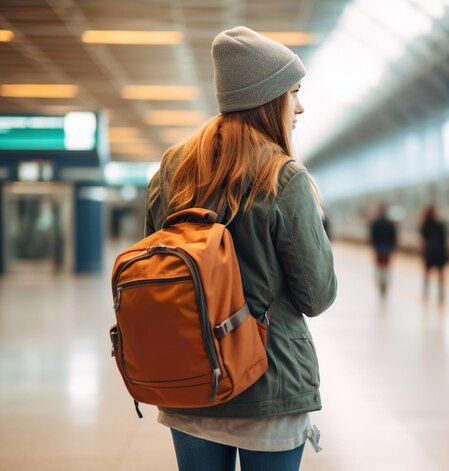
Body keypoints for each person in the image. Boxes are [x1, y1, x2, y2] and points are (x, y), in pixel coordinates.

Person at [144, 26, 337, 471]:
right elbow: (317, 296)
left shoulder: (173, 168)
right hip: (268, 384)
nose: (300, 107)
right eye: (294, 92)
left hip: (190, 377)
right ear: (270, 99)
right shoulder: (284, 178)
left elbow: (159, 265)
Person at [419, 205, 448, 302]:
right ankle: (441, 294)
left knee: (427, 274)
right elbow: (445, 238)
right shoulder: (440, 223)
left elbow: (423, 236)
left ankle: (426, 292)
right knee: (441, 274)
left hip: (429, 252)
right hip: (440, 252)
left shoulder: (425, 224)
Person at [370, 203, 397, 297]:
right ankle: (385, 283)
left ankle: (381, 283)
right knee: (386, 267)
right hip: (388, 248)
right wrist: (392, 247)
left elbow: (372, 237)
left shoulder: (375, 223)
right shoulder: (390, 224)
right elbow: (394, 237)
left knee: (380, 267)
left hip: (379, 248)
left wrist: (375, 246)